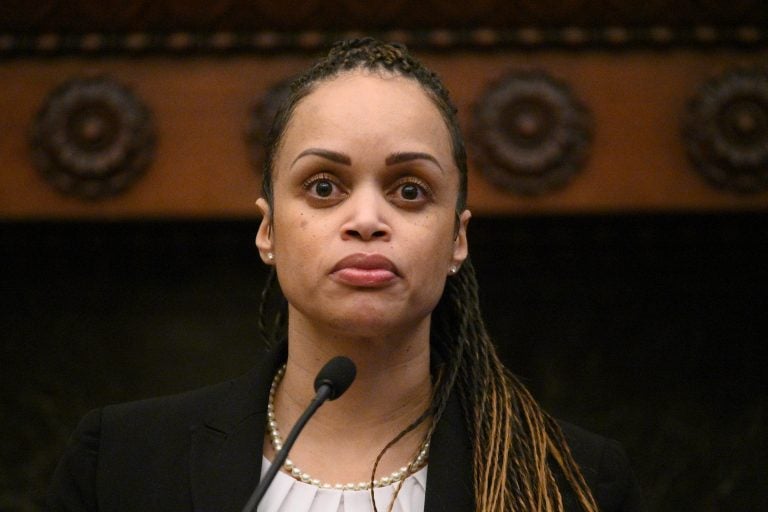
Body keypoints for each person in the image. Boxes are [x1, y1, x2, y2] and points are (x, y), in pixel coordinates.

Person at [47, 38, 644, 512]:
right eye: (324, 187)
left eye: (410, 190)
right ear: (268, 232)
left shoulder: (573, 480)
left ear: (457, 239)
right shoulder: (123, 463)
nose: (366, 220)